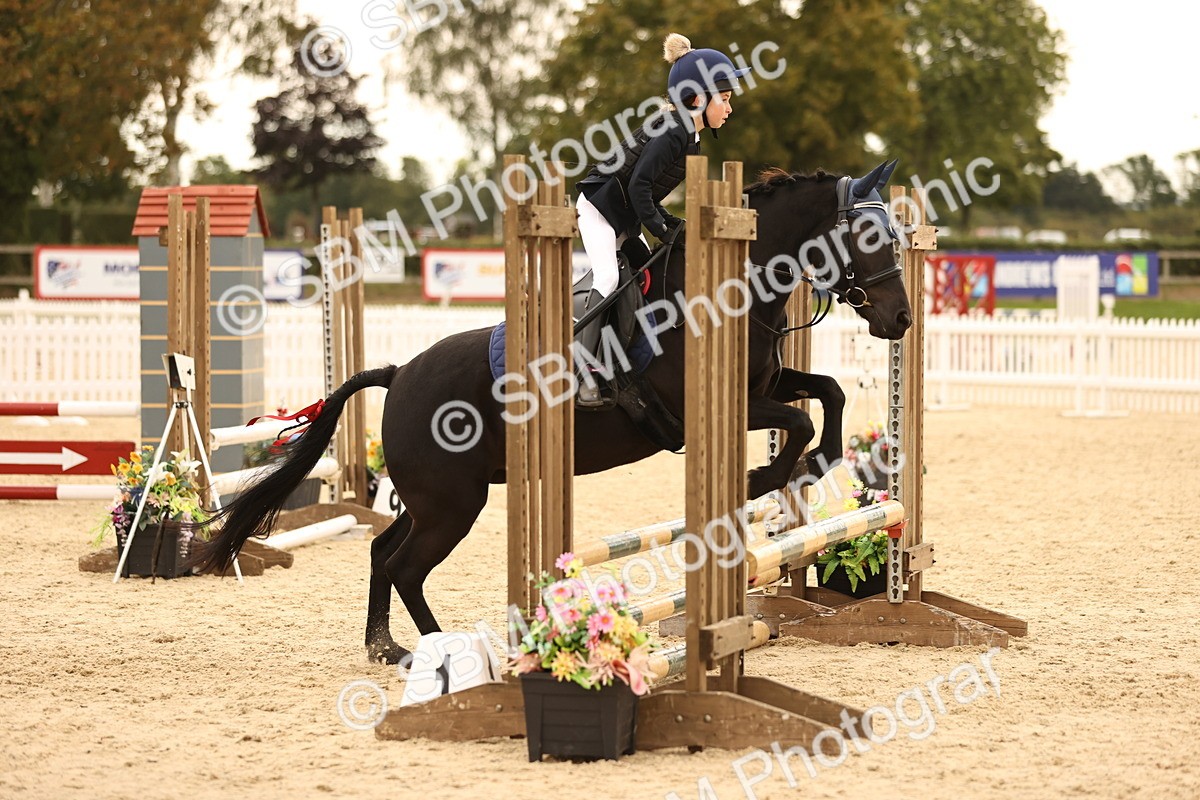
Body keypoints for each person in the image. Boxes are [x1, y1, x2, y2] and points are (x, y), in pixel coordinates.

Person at [572, 32, 749, 407]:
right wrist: (660, 229)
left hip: (623, 212)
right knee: (607, 277)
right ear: (698, 98)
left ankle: (625, 361)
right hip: (600, 209)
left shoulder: (690, 137)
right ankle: (583, 373)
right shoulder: (672, 131)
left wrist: (670, 224)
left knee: (646, 274)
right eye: (726, 100)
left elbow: (647, 194)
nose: (730, 109)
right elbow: (639, 187)